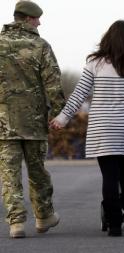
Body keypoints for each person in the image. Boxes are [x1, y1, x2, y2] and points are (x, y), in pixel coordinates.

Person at [50, 20, 124, 236]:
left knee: (110, 177)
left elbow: (78, 94)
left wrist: (62, 118)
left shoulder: (95, 63)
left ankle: (115, 225)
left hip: (103, 128)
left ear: (108, 39)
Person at [0, 0, 65, 238]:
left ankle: (16, 224)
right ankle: (43, 216)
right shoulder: (40, 45)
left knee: (9, 175)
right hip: (34, 123)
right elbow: (53, 82)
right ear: (27, 19)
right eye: (37, 18)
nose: (39, 22)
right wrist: (60, 113)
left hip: (3, 124)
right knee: (37, 172)